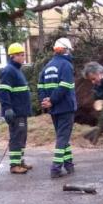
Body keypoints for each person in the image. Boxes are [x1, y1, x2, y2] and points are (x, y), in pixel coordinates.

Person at [38, 37, 77, 179]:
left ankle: (69, 164)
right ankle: (55, 168)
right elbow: (65, 86)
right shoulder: (66, 65)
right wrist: (52, 100)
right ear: (66, 50)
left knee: (63, 137)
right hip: (65, 107)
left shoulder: (47, 66)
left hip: (53, 109)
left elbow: (40, 85)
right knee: (62, 138)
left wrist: (45, 101)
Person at [0, 43, 33, 174]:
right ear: (12, 56)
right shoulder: (9, 71)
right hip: (15, 112)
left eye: (23, 54)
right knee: (16, 136)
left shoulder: (17, 70)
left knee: (22, 136)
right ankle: (14, 165)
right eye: (20, 55)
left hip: (21, 111)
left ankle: (20, 161)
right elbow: (3, 91)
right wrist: (7, 108)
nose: (23, 57)